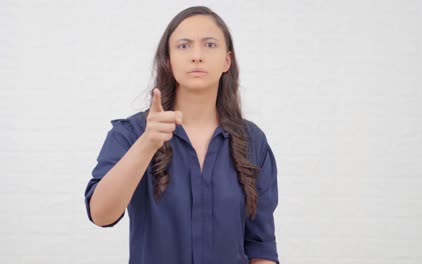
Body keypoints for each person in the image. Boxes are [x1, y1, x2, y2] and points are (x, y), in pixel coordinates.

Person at [84, 5, 279, 264]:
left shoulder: (253, 142)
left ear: (226, 61)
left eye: (209, 45)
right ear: (168, 60)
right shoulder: (131, 134)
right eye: (184, 46)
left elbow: (260, 246)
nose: (197, 56)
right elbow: (101, 214)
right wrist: (147, 144)